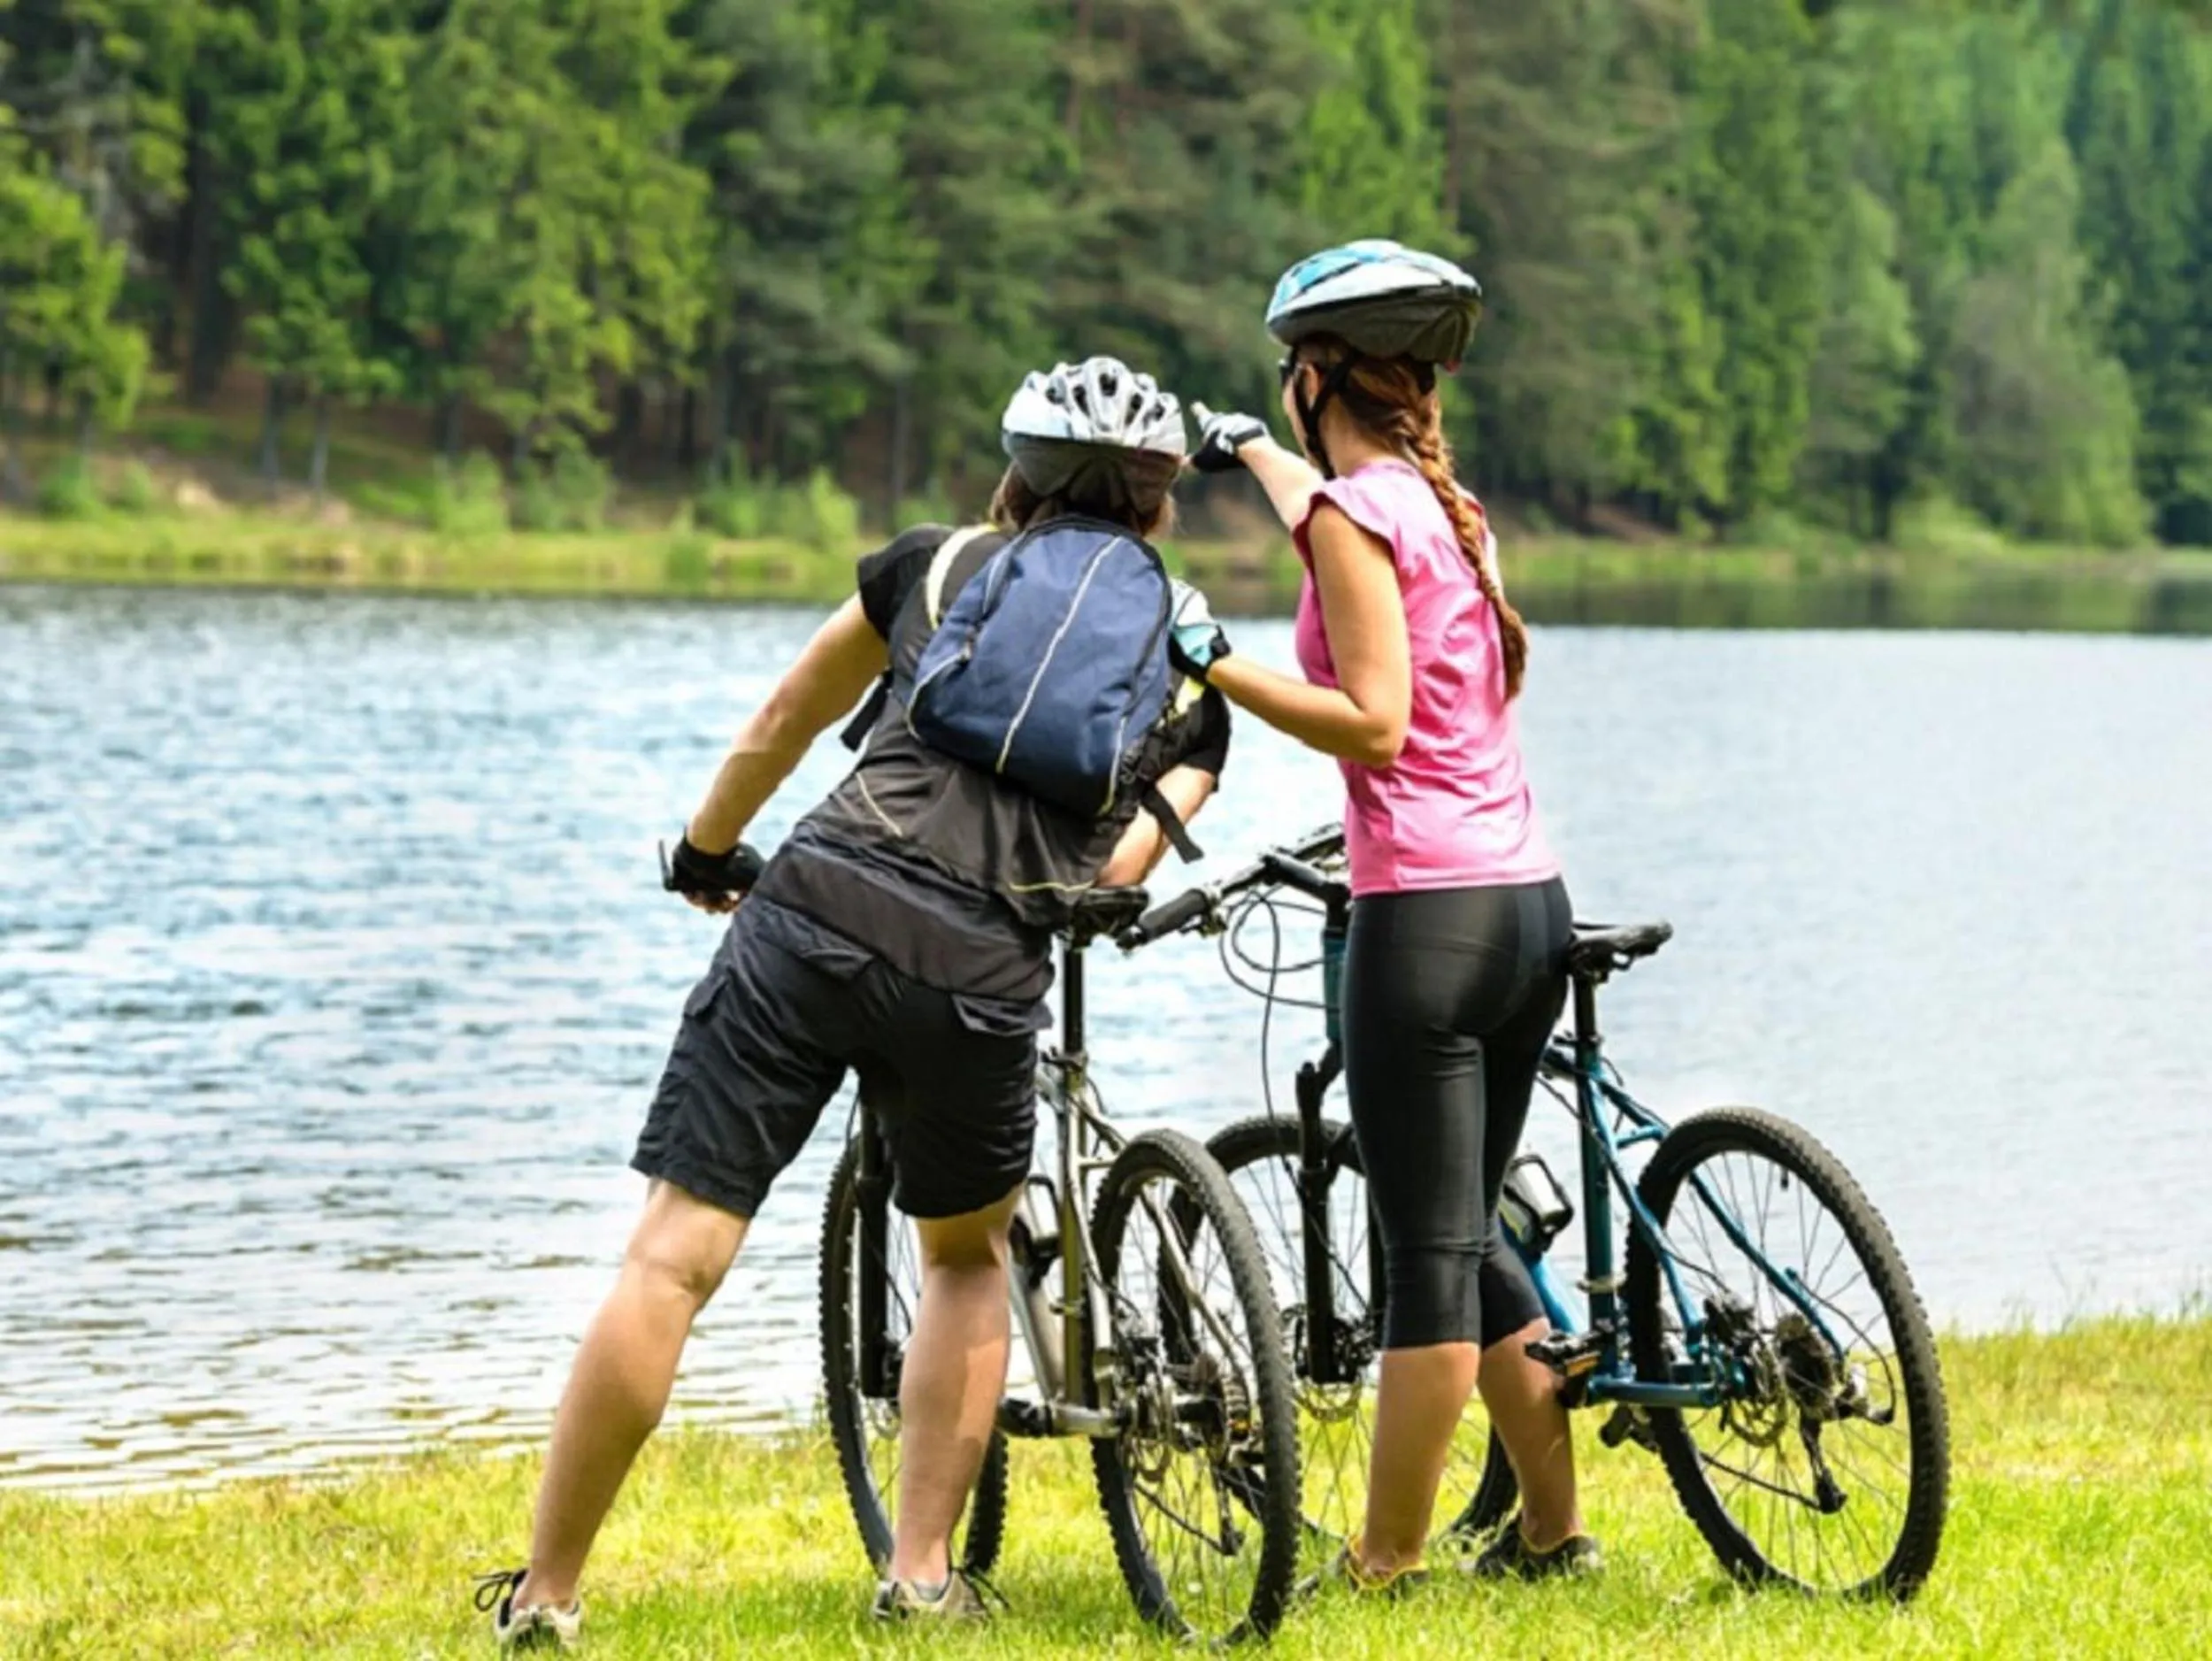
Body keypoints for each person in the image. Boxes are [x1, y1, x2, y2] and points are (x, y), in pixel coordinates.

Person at [476, 356, 1231, 1649]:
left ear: (1017, 477)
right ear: (1159, 506)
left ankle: (546, 1596)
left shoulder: (935, 565)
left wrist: (708, 852)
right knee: (964, 1259)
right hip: (982, 966)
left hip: (817, 909)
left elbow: (786, 714)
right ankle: (922, 1578)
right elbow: (1118, 872)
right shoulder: (1191, 658)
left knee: (673, 1256)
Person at [1171, 240, 1597, 1589]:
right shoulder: (1441, 511)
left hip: (1425, 923)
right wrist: (1249, 448)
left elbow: (1374, 721)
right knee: (1472, 1237)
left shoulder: (1361, 518)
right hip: (1528, 909)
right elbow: (1327, 518)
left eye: (1284, 381)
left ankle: (1385, 1561)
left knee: (1427, 1260)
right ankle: (1552, 1536)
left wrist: (1216, 666)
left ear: (1318, 376)